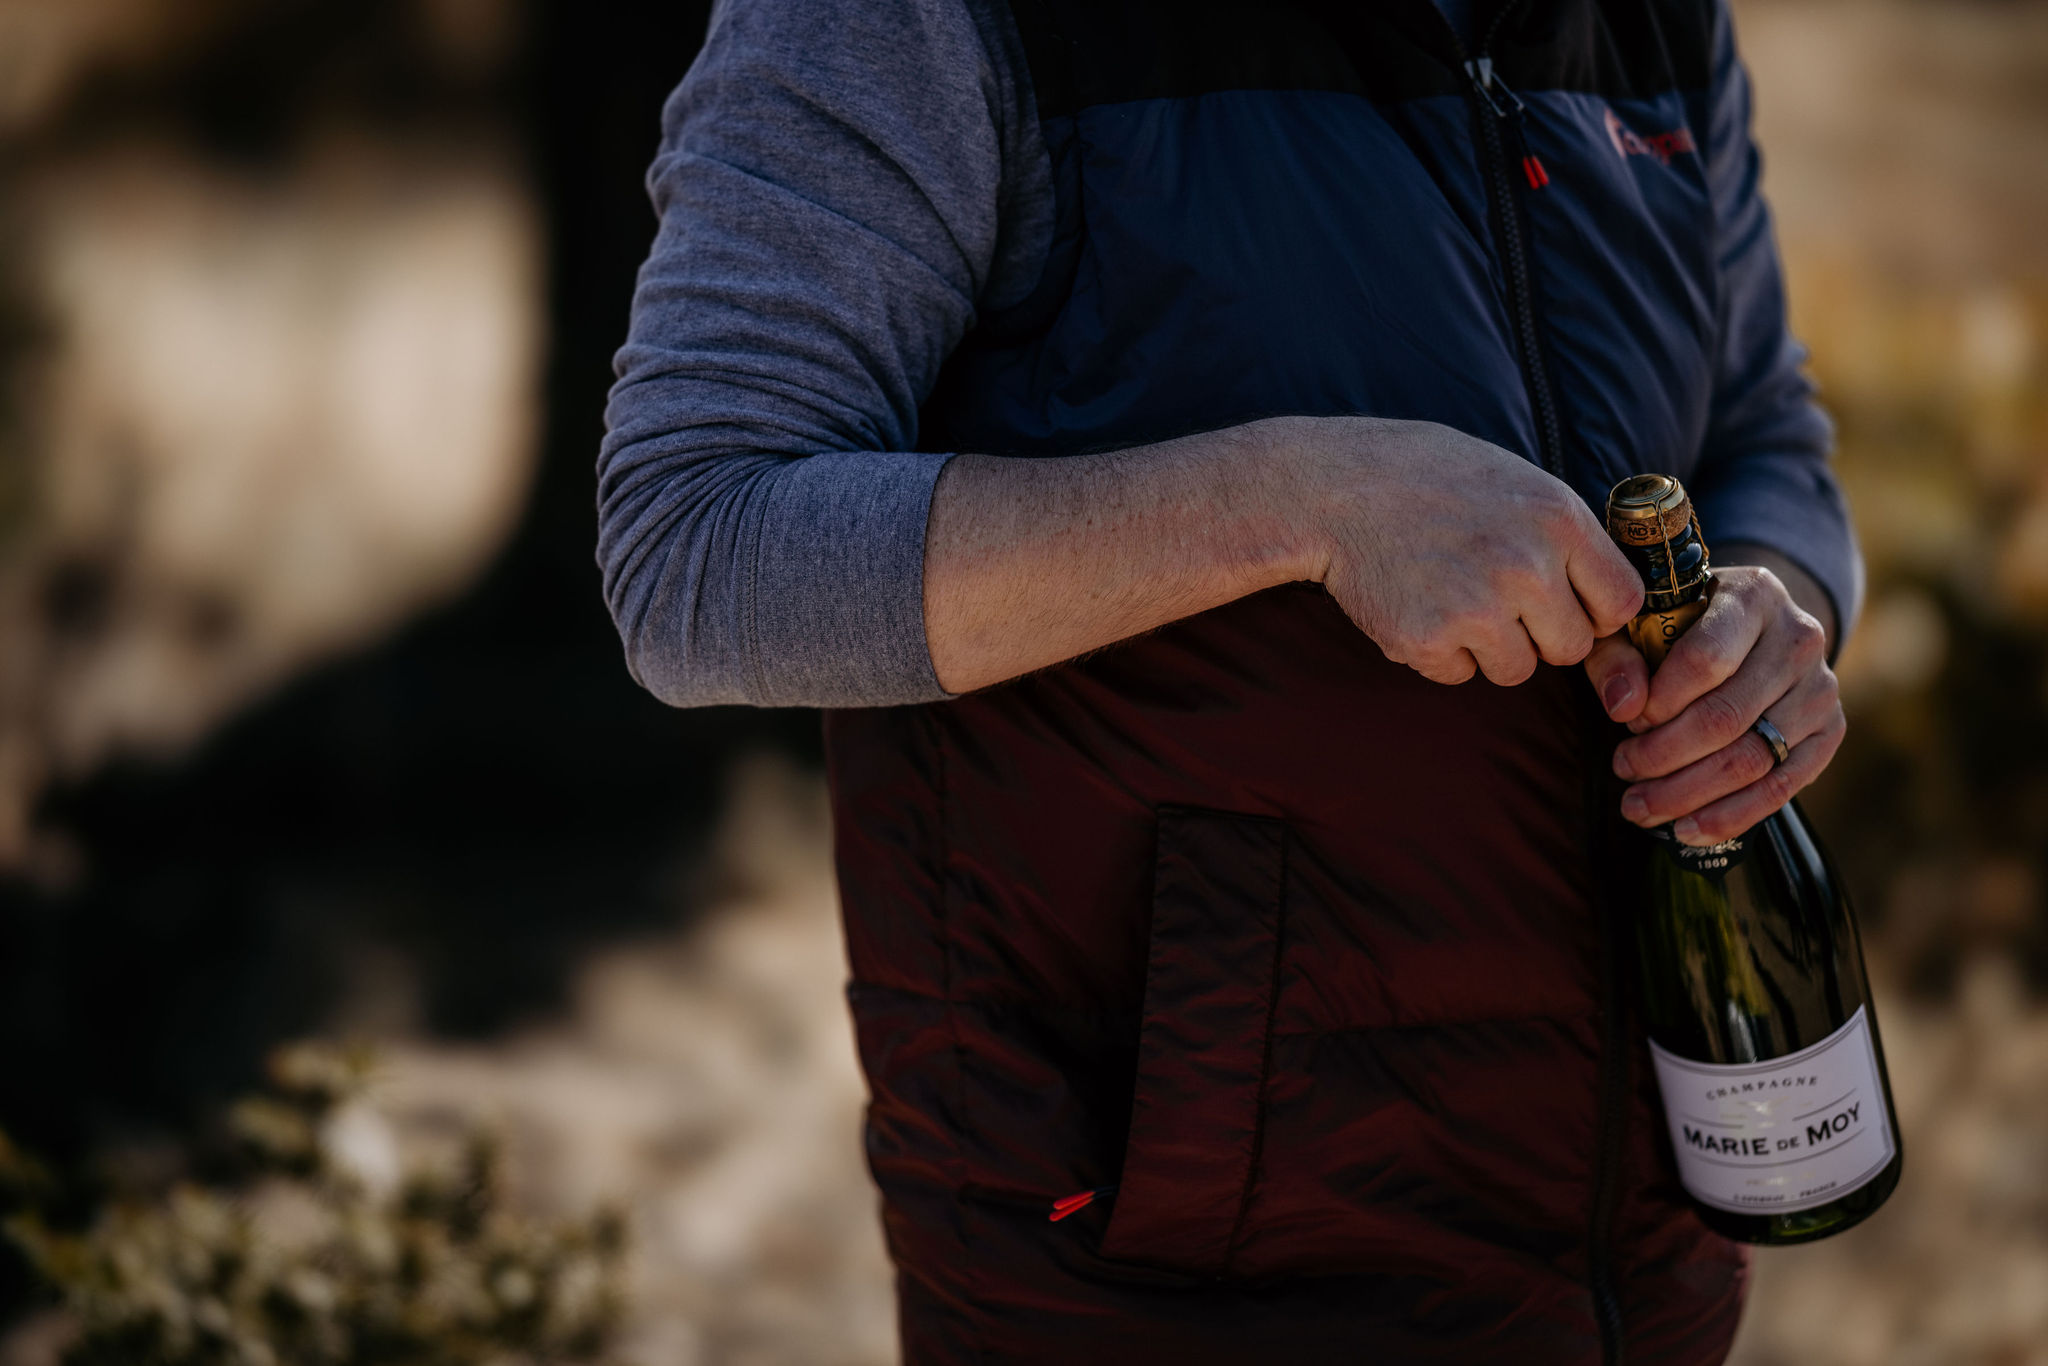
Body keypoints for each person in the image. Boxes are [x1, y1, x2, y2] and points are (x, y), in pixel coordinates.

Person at [595, 0, 1860, 1360]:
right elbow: (699, 547)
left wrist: (1776, 612)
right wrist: (1297, 501)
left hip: (1646, 1256)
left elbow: (1763, 427)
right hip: (1171, 1276)